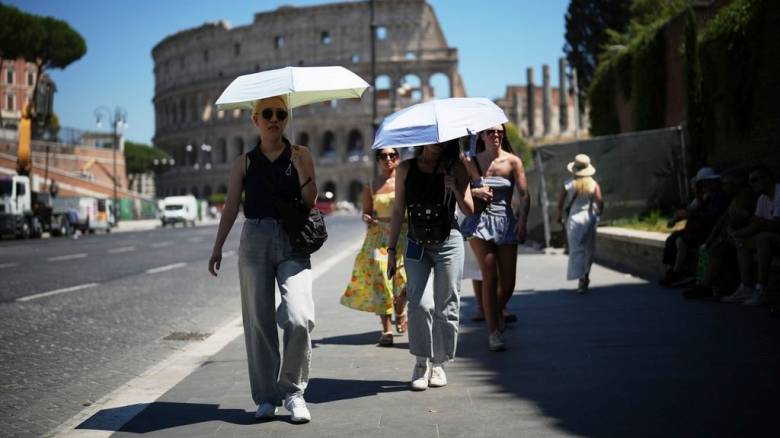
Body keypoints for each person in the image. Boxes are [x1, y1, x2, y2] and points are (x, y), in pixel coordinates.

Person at [208, 96, 317, 424]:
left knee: (300, 317)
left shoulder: (301, 154)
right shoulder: (244, 162)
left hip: (292, 239)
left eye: (281, 114)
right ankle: (267, 397)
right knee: (258, 323)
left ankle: (294, 391)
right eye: (267, 114)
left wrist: (301, 171)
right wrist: (217, 248)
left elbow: (311, 200)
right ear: (255, 120)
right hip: (254, 240)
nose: (275, 119)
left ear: (287, 119)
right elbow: (230, 206)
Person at [387, 139, 473, 391]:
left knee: (447, 303)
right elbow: (397, 209)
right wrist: (391, 249)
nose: (438, 143)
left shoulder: (456, 166)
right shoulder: (406, 168)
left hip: (449, 240)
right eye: (433, 138)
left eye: (443, 139)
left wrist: (455, 187)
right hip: (416, 242)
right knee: (420, 303)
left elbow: (469, 209)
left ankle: (439, 364)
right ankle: (421, 362)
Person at [461, 125, 529, 351]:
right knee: (489, 274)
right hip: (480, 222)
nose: (496, 135)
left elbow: (524, 193)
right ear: (481, 136)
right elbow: (458, 190)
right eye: (490, 132)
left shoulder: (513, 162)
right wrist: (475, 191)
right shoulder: (472, 161)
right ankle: (493, 332)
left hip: (506, 223)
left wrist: (523, 220)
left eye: (500, 132)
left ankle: (495, 310)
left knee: (508, 283)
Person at [340, 147, 408, 347]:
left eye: (392, 155)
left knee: (404, 282)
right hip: (378, 237)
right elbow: (367, 212)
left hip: (404, 234)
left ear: (398, 158)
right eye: (383, 156)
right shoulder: (371, 184)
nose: (388, 159)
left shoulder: (405, 182)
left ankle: (401, 310)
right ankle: (386, 330)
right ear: (377, 160)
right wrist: (367, 217)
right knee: (382, 279)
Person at [682, 169, 755, 299]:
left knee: (719, 249)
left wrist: (726, 235)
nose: (723, 186)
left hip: (741, 235)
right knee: (710, 246)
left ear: (735, 184)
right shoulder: (732, 198)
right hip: (728, 235)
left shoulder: (744, 195)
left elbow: (734, 221)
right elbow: (722, 220)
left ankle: (707, 286)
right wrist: (711, 239)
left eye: (726, 183)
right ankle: (705, 285)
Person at [659, 167, 730, 286]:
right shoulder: (703, 197)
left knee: (682, 241)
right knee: (672, 239)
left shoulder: (719, 197)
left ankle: (678, 273)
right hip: (696, 229)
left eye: (706, 182)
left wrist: (692, 213)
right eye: (702, 183)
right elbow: (690, 210)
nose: (704, 185)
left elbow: (710, 217)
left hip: (708, 230)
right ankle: (671, 271)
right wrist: (677, 218)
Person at [722, 166, 780, 306]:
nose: (752, 184)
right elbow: (755, 226)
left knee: (763, 238)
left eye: (755, 180)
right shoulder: (762, 198)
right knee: (742, 241)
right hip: (773, 239)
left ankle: (762, 289)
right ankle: (747, 287)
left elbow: (775, 226)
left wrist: (746, 215)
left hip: (775, 236)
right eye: (750, 181)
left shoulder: (779, 193)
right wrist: (736, 234)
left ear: (767, 179)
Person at [556, 154, 603, 294]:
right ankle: (586, 275)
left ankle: (580, 278)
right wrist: (597, 213)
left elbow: (560, 204)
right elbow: (599, 201)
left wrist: (559, 216)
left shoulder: (568, 184)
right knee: (589, 248)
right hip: (589, 218)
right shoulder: (593, 184)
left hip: (574, 220)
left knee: (576, 250)